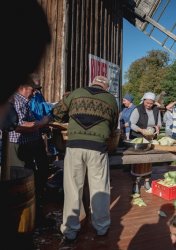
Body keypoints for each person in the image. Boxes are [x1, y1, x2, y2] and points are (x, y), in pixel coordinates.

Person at [52, 75, 118, 242]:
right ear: (106, 87)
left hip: (74, 146)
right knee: (100, 188)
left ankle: (70, 230)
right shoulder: (111, 99)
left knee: (73, 188)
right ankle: (101, 227)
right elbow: (113, 126)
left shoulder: (76, 93)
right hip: (98, 148)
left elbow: (57, 113)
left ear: (92, 83)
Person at [8, 76, 51, 224]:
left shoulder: (25, 101)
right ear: (23, 87)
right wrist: (42, 122)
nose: (35, 93)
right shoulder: (14, 100)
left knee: (36, 176)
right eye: (33, 90)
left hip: (31, 143)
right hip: (19, 146)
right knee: (21, 183)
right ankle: (21, 220)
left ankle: (35, 214)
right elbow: (19, 126)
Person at [129, 92, 162, 193]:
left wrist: (157, 127)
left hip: (150, 138)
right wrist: (141, 130)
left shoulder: (156, 110)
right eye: (147, 103)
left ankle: (147, 181)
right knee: (138, 161)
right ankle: (135, 183)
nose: (148, 105)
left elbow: (159, 123)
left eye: (151, 103)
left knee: (148, 159)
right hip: (138, 138)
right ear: (143, 101)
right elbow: (132, 124)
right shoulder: (137, 109)